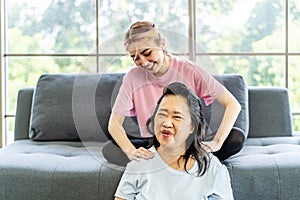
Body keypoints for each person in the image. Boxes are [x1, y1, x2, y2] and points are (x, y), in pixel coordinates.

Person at [103, 20, 244, 166]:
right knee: (110, 149)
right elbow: (114, 124)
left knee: (236, 138)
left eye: (147, 53)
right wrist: (131, 151)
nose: (143, 62)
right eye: (135, 58)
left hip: (188, 141)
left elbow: (233, 104)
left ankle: (167, 161)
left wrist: (217, 143)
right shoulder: (132, 77)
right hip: (156, 142)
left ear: (161, 45)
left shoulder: (189, 70)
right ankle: (182, 161)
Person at [114, 82, 234, 200]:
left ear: (192, 126)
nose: (166, 123)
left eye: (177, 117)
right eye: (162, 114)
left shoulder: (213, 168)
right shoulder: (138, 165)